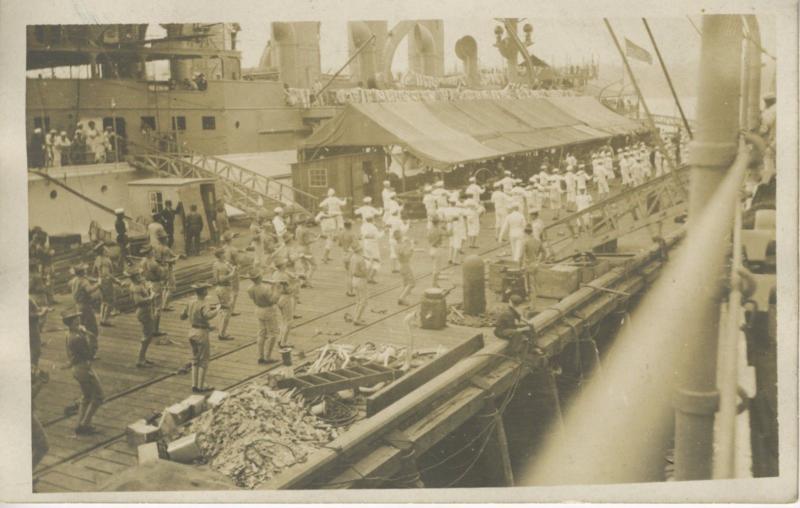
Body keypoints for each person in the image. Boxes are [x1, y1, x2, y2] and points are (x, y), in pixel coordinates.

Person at [63, 309, 104, 435]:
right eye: (75, 318)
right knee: (98, 396)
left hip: (77, 368)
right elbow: (90, 354)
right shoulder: (77, 338)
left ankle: (80, 424)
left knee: (86, 397)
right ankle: (85, 424)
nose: (78, 319)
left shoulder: (69, 334)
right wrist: (90, 336)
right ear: (71, 322)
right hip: (84, 369)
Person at [180, 283, 218, 393]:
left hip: (192, 331)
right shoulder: (204, 303)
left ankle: (194, 385)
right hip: (201, 333)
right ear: (204, 292)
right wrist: (217, 310)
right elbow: (207, 315)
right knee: (204, 360)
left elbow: (182, 316)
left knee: (194, 358)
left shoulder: (190, 302)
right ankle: (201, 386)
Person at [247, 271, 281, 365]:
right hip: (268, 310)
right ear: (259, 277)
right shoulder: (264, 289)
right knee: (273, 334)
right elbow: (273, 300)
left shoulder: (250, 288)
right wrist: (277, 289)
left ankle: (260, 356)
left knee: (262, 333)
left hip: (258, 309)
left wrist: (272, 287)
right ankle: (267, 357)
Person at [69, 263, 100, 358]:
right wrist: (98, 284)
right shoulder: (84, 281)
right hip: (85, 306)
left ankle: (80, 350)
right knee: (92, 329)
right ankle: (91, 352)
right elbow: (89, 290)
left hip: (77, 306)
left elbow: (74, 283)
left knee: (81, 327)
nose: (86, 271)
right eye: (85, 270)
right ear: (82, 272)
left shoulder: (74, 280)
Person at [128, 269, 157, 368]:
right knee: (146, 336)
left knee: (149, 335)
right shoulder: (136, 287)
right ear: (135, 277)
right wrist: (152, 296)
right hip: (143, 312)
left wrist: (150, 289)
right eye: (138, 275)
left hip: (147, 311)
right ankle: (140, 360)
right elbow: (138, 301)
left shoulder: (140, 285)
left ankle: (143, 357)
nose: (141, 276)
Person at [139, 246, 168, 338]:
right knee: (157, 308)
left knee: (149, 307)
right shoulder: (154, 263)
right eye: (152, 251)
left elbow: (141, 273)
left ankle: (149, 328)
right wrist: (165, 267)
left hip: (146, 284)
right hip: (156, 284)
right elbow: (162, 275)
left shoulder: (142, 261)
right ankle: (155, 329)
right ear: (150, 252)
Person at [212, 248, 237, 341]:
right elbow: (220, 279)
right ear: (220, 255)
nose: (225, 255)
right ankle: (222, 333)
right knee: (227, 311)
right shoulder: (220, 265)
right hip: (223, 288)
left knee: (223, 311)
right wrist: (232, 273)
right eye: (223, 254)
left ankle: (221, 331)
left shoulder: (220, 263)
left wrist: (231, 268)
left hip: (223, 288)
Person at [92, 244, 116, 327]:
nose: (107, 251)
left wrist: (99, 278)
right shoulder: (106, 260)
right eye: (106, 250)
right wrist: (116, 280)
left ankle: (102, 319)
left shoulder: (97, 259)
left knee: (103, 301)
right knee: (110, 301)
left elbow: (93, 271)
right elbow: (107, 274)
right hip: (106, 282)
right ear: (103, 252)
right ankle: (105, 319)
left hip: (101, 281)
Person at [347, 244, 370, 326]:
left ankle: (356, 316)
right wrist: (370, 265)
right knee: (364, 300)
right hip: (361, 280)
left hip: (354, 279)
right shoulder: (361, 259)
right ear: (360, 250)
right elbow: (365, 273)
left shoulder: (353, 257)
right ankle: (357, 319)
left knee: (358, 300)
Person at [221, 232, 242, 316]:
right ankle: (231, 310)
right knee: (235, 291)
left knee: (227, 289)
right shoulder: (233, 249)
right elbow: (238, 262)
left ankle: (225, 308)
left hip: (224, 270)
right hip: (233, 270)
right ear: (231, 240)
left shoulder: (223, 248)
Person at [521, 225, 544, 299]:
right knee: (535, 281)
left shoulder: (525, 242)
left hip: (528, 265)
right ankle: (537, 294)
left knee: (527, 283)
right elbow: (544, 252)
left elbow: (522, 256)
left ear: (525, 233)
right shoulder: (538, 241)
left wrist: (520, 265)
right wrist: (540, 260)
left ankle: (529, 296)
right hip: (536, 264)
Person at [427, 215, 450, 288]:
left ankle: (435, 282)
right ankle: (434, 283)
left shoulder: (430, 229)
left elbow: (428, 238)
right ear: (438, 222)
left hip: (431, 248)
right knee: (436, 269)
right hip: (437, 249)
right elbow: (448, 234)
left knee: (435, 267)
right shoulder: (438, 230)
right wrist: (445, 227)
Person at [360, 215, 383, 283]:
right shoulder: (373, 227)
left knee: (367, 260)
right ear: (372, 219)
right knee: (377, 262)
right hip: (373, 245)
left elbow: (363, 235)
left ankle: (365, 276)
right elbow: (378, 236)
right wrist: (383, 231)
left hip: (366, 244)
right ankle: (370, 277)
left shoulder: (363, 226)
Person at [395, 230, 416, 306]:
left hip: (400, 265)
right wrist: (412, 247)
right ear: (400, 237)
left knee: (405, 282)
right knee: (412, 283)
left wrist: (407, 243)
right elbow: (408, 255)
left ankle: (404, 297)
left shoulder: (396, 245)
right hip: (405, 265)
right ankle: (402, 298)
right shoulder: (402, 245)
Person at [338, 220, 357, 296]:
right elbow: (355, 246)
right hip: (351, 253)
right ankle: (351, 291)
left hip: (343, 252)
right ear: (350, 226)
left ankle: (348, 290)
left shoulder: (341, 233)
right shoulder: (352, 234)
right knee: (351, 274)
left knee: (347, 274)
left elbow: (339, 244)